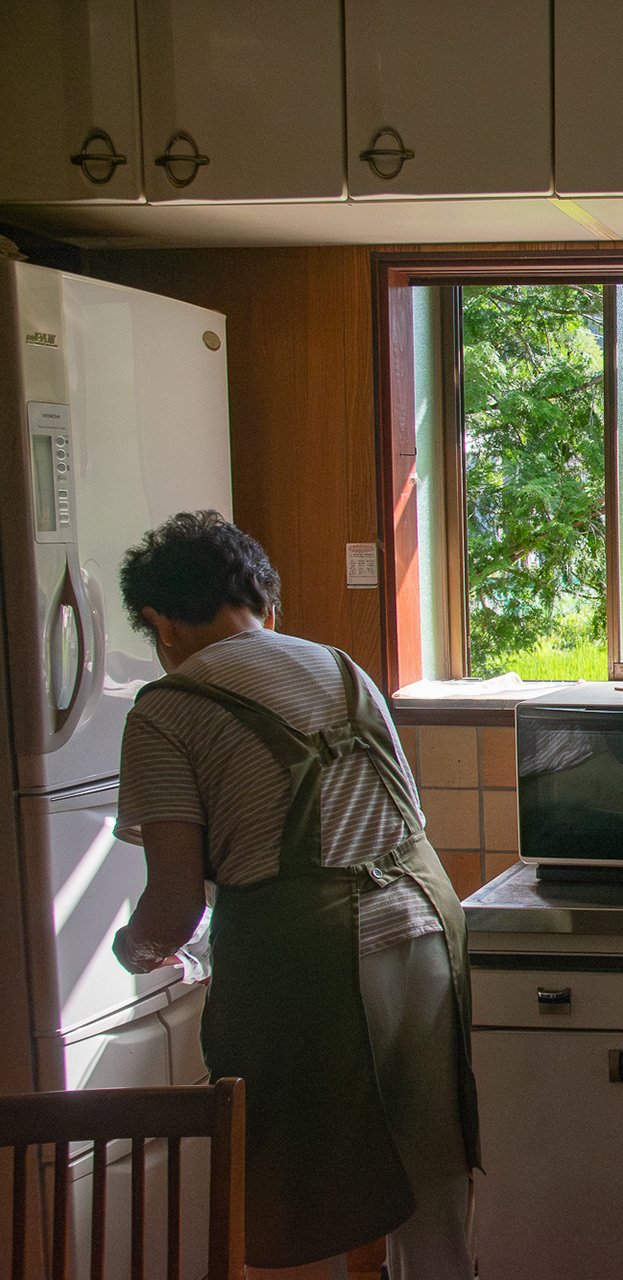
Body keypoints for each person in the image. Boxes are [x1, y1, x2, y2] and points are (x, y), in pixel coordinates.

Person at [109, 511, 478, 1280]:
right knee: (428, 1172)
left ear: (158, 623)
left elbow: (175, 903)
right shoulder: (341, 666)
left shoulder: (165, 709)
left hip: (312, 960)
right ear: (264, 605)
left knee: (301, 1195)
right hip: (428, 925)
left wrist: (134, 951)